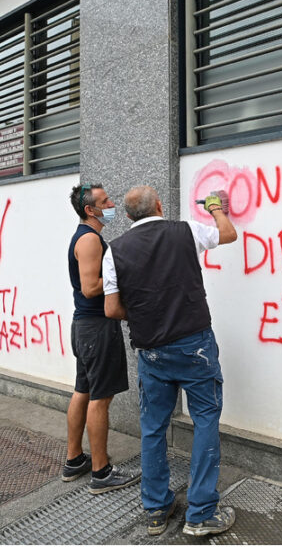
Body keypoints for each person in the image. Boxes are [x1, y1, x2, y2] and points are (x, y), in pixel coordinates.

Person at [103, 185, 237, 537]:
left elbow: (112, 309)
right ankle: (201, 513)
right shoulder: (185, 230)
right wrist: (215, 208)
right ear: (160, 206)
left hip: (151, 352)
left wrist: (145, 313)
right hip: (194, 346)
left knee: (153, 427)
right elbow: (228, 234)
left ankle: (156, 509)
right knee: (205, 419)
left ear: (128, 216)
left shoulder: (114, 250)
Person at [63, 182, 140, 494]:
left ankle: (74, 460)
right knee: (100, 398)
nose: (111, 204)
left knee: (83, 391)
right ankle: (101, 471)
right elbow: (90, 288)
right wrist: (123, 276)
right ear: (90, 210)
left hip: (85, 328)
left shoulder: (86, 237)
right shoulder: (90, 239)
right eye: (105, 201)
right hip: (96, 328)